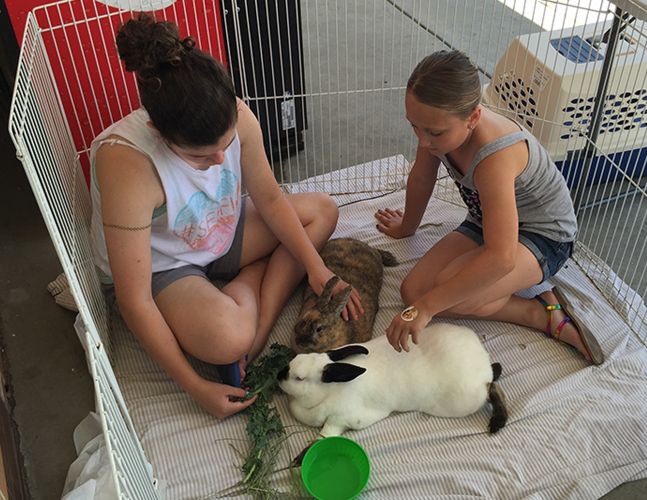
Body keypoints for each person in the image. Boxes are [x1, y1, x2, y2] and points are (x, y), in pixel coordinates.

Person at [90, 14, 362, 419]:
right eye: (201, 156)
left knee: (321, 210)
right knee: (226, 338)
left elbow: (270, 198)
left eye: (227, 144)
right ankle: (246, 303)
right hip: (167, 264)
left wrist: (316, 268)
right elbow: (134, 300)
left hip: (219, 230)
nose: (220, 160)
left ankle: (258, 320)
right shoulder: (126, 164)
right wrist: (195, 386)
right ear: (158, 131)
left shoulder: (237, 114)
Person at [374, 50, 603, 365]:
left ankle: (538, 313)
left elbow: (501, 258)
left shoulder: (495, 156)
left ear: (473, 118)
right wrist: (406, 227)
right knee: (413, 291)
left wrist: (427, 309)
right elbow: (422, 178)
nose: (423, 141)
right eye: (415, 126)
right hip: (485, 221)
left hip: (543, 236)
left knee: (448, 293)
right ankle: (530, 304)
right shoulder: (436, 128)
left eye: (434, 132)